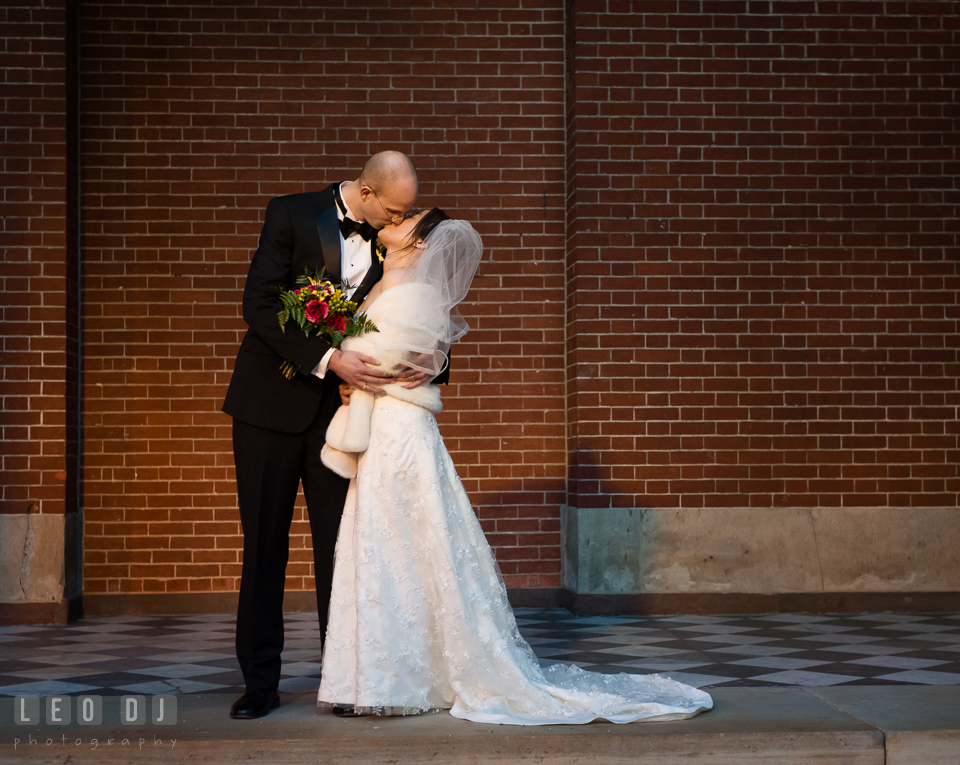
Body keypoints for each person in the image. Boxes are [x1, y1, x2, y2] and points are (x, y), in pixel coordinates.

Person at [316, 211, 713, 725]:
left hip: (397, 429)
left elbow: (386, 357)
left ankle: (401, 678)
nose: (393, 219)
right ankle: (383, 674)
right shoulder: (384, 280)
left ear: (415, 244)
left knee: (399, 541)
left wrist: (349, 362)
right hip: (390, 424)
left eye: (406, 217)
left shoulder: (411, 291)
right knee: (384, 544)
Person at [221, 151, 443, 720]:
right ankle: (260, 684)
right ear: (366, 194)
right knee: (264, 547)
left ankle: (343, 678)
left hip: (341, 418)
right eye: (394, 209)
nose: (402, 220)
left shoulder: (390, 237)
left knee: (342, 551)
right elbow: (259, 304)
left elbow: (415, 309)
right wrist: (327, 358)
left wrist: (435, 364)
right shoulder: (291, 215)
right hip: (266, 409)